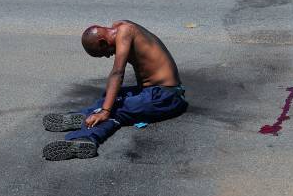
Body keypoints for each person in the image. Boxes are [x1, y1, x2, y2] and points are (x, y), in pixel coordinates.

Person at [42, 20, 188, 161]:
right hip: (153, 92)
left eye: (103, 52)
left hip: (166, 97)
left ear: (102, 42)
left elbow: (118, 72)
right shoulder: (119, 26)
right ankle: (84, 116)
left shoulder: (125, 32)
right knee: (111, 97)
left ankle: (85, 138)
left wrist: (105, 111)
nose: (107, 55)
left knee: (114, 110)